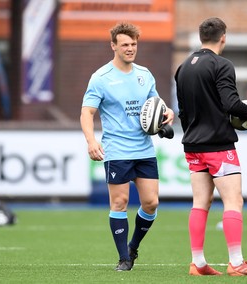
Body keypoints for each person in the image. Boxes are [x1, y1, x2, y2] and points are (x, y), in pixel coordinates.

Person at [174, 17, 247, 276]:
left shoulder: (183, 67)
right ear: (223, 37)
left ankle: (198, 262)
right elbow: (231, 104)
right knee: (233, 200)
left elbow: (183, 111)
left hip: (192, 144)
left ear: (201, 36)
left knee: (200, 203)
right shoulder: (221, 64)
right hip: (217, 145)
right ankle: (236, 263)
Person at [80, 22, 174, 272]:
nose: (130, 48)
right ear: (113, 46)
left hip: (144, 149)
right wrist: (91, 141)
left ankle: (133, 246)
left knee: (151, 203)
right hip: (117, 150)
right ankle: (124, 258)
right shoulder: (101, 78)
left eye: (133, 44)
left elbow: (156, 104)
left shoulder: (145, 74)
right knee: (119, 202)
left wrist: (167, 112)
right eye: (125, 44)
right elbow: (87, 112)